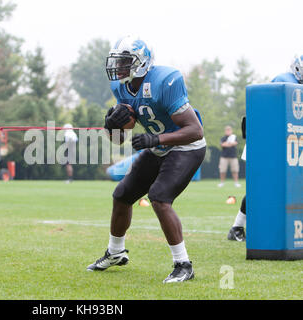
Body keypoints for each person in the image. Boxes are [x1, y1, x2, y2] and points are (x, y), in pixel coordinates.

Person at [87, 36, 206, 283]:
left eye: (125, 61)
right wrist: (111, 125)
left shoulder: (165, 80)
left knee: (160, 197)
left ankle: (183, 264)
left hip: (187, 147)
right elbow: (119, 139)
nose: (119, 66)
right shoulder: (121, 87)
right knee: (122, 195)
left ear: (142, 62)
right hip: (160, 147)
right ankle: (116, 252)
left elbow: (195, 130)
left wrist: (155, 140)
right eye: (118, 61)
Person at [227, 54, 303, 241]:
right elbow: (273, 117)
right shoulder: (284, 81)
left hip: (287, 143)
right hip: (268, 143)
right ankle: (237, 227)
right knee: (261, 187)